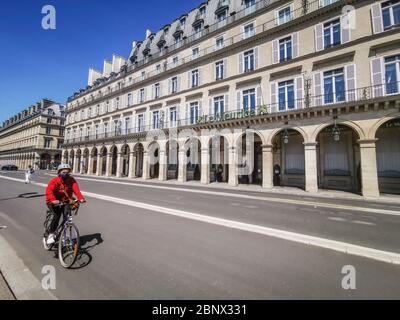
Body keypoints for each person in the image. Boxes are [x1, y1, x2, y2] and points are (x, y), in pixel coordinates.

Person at [44, 164, 86, 245]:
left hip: (65, 201)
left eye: (67, 172)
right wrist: (53, 200)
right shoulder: (54, 181)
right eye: (63, 172)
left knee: (67, 217)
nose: (66, 174)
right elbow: (49, 191)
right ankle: (51, 234)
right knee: (57, 215)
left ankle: (64, 235)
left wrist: (81, 198)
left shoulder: (71, 180)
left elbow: (76, 189)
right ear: (59, 172)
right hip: (53, 201)